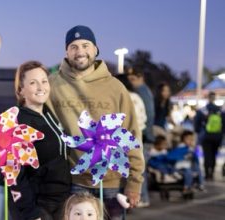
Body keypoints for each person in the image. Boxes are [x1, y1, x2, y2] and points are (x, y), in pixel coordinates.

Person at [47, 25, 144, 219]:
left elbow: (131, 134)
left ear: (95, 49)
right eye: (73, 46)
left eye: (85, 45)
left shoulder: (115, 87)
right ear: (66, 51)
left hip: (111, 181)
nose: (80, 51)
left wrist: (135, 181)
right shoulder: (52, 84)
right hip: (72, 181)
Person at [9, 61, 71, 220]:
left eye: (44, 81)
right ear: (21, 90)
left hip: (60, 200)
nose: (41, 87)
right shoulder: (19, 121)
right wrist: (30, 212)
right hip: (39, 206)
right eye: (32, 83)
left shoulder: (48, 113)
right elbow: (15, 173)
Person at [127, 69, 154, 207]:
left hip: (141, 136)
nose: (131, 82)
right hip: (143, 135)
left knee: (138, 167)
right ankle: (143, 197)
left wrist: (144, 135)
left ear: (140, 77)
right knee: (139, 167)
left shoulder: (140, 92)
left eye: (133, 78)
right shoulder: (142, 92)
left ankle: (142, 198)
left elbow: (147, 116)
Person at [194, 91, 224, 181]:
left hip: (206, 136)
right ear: (214, 98)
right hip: (217, 136)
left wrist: (200, 131)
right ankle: (212, 172)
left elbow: (196, 124)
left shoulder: (203, 110)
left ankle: (207, 173)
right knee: (214, 154)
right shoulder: (220, 111)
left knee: (207, 154)